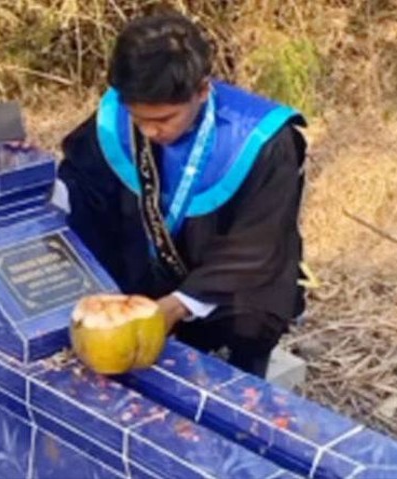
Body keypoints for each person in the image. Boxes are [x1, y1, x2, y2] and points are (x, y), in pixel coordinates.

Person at [53, 11, 307, 378]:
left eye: (164, 119)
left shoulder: (260, 139)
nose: (150, 131)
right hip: (143, 274)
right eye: (139, 118)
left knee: (255, 304)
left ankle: (242, 382)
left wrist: (175, 307)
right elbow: (84, 193)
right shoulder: (116, 119)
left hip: (223, 285)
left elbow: (257, 244)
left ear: (202, 90)